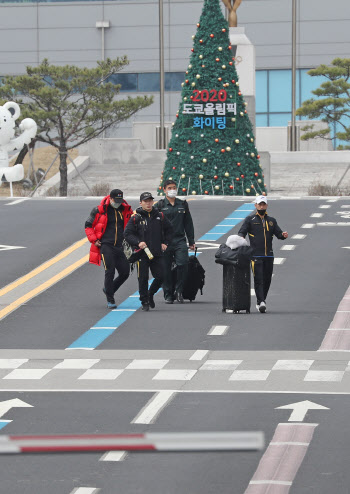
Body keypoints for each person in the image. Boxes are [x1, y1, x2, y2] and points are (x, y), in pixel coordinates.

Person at [238, 195, 288, 313]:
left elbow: (279, 234)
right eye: (259, 204)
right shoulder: (250, 220)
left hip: (269, 255)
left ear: (267, 206)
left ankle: (261, 300)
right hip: (255, 256)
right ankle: (261, 301)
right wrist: (240, 240)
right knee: (258, 279)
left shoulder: (271, 221)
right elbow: (241, 233)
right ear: (255, 205)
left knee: (267, 279)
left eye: (263, 204)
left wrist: (283, 235)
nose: (261, 206)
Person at [124, 192, 173, 312]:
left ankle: (151, 293)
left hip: (156, 253)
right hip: (142, 254)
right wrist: (137, 242)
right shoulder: (136, 217)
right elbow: (127, 234)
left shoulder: (159, 216)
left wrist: (165, 243)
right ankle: (144, 301)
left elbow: (170, 230)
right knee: (143, 278)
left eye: (150, 201)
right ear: (141, 203)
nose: (148, 203)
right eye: (146, 201)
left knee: (161, 276)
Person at [85, 189, 132, 309]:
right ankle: (110, 299)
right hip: (105, 245)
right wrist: (94, 239)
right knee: (109, 271)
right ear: (110, 199)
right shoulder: (99, 210)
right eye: (116, 200)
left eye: (120, 200)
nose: (118, 203)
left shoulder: (125, 209)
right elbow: (88, 225)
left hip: (120, 246)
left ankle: (108, 289)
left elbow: (131, 225)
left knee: (125, 272)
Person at [156, 180, 195, 304]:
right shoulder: (160, 205)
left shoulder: (182, 204)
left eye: (174, 187)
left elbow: (188, 223)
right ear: (164, 190)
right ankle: (168, 293)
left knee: (183, 263)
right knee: (165, 268)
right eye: (169, 188)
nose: (172, 190)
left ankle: (179, 291)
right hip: (165, 241)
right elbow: (155, 225)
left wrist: (191, 240)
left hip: (179, 240)